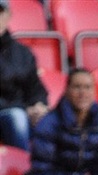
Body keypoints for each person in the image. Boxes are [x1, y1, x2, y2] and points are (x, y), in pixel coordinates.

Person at [0, 0, 48, 150]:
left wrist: (39, 105)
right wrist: (23, 108)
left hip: (19, 110)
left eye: (0, 12)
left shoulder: (22, 52)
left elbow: (35, 88)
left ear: (8, 16)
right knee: (17, 118)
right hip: (12, 112)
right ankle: (24, 171)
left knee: (50, 119)